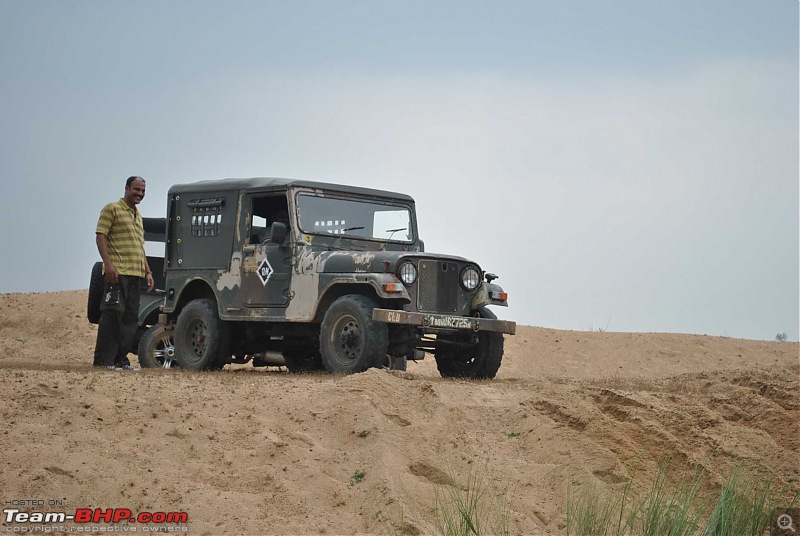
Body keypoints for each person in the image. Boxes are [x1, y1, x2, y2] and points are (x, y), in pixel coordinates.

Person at [92, 176, 154, 370]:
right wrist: (108, 265)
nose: (140, 194)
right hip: (117, 273)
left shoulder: (138, 215)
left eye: (143, 191)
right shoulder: (112, 209)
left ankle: (120, 360)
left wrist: (148, 271)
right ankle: (103, 361)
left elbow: (139, 246)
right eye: (136, 189)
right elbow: (100, 236)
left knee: (130, 319)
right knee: (112, 315)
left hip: (135, 274)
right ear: (127, 188)